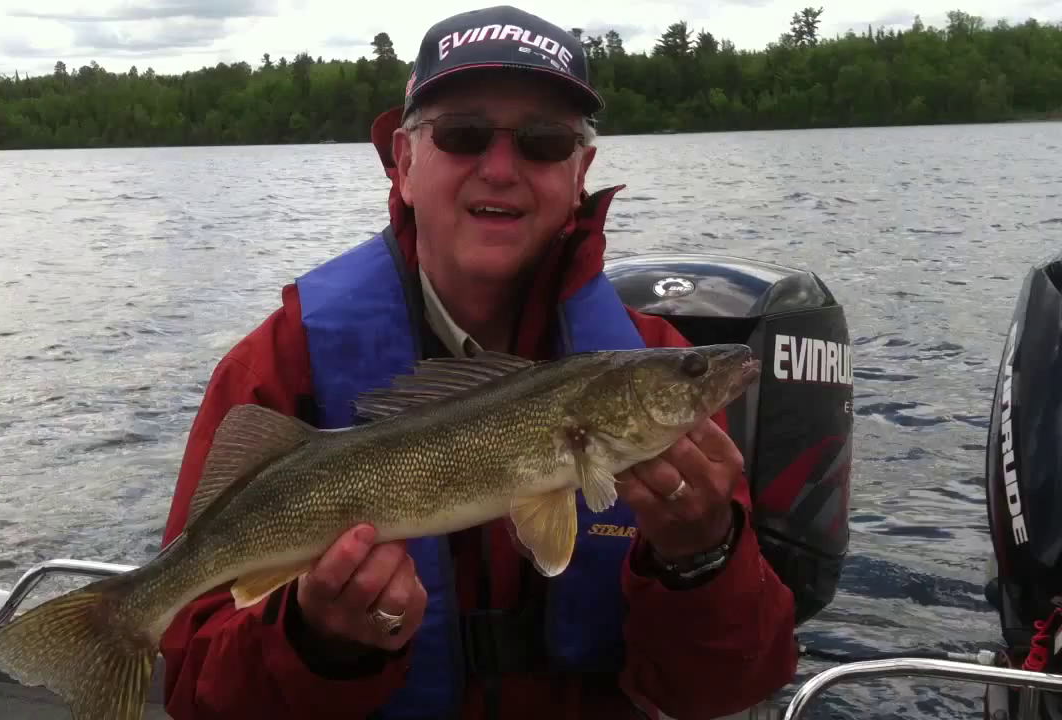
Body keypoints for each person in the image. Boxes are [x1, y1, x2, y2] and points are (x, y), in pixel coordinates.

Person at [157, 5, 798, 719]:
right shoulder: (278, 366)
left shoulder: (653, 358)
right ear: (403, 163)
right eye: (462, 135)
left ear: (579, 172)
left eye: (543, 142)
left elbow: (728, 690)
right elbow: (195, 693)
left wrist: (703, 556)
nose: (500, 169)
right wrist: (318, 643)